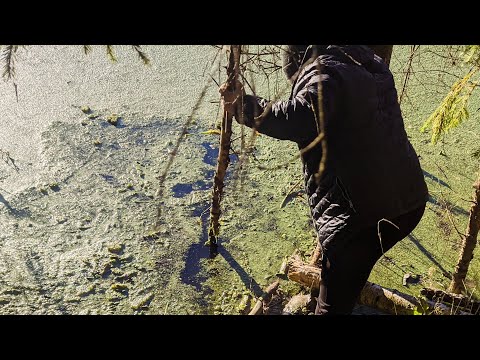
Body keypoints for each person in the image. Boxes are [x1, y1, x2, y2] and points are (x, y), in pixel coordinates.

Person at [219, 45, 429, 315]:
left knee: (334, 303)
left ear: (297, 63)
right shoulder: (363, 63)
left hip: (363, 218)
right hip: (407, 202)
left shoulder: (323, 73)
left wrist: (242, 107)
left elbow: (299, 116)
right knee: (345, 281)